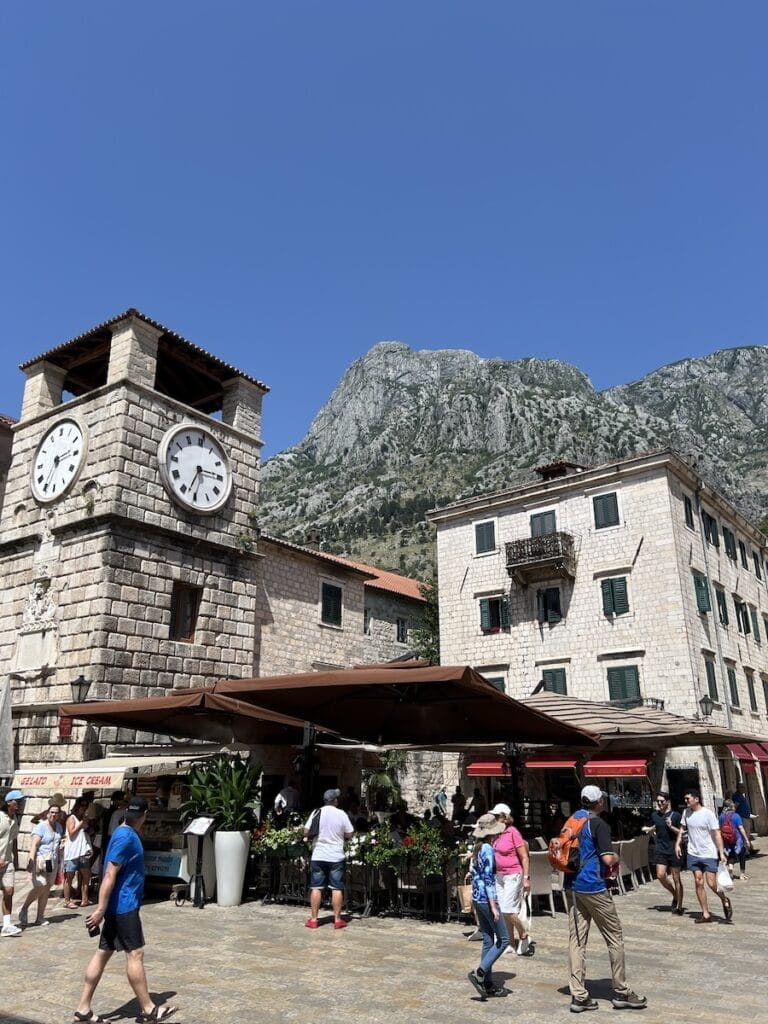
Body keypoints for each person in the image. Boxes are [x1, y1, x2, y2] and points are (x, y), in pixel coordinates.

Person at [74, 796, 177, 1024]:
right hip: (123, 906)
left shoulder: (124, 833)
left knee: (103, 954)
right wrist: (100, 909)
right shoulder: (126, 837)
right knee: (135, 954)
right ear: (144, 816)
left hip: (118, 906)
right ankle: (149, 1008)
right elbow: (109, 873)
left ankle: (83, 1008)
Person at [565, 786, 647, 1013]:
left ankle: (579, 995)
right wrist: (618, 855)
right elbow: (608, 858)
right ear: (598, 802)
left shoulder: (572, 820)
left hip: (573, 886)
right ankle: (622, 991)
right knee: (614, 936)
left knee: (577, 939)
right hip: (593, 886)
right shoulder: (598, 824)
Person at [466, 813, 510, 999]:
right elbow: (488, 880)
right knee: (504, 939)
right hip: (486, 899)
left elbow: (473, 873)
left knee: (487, 939)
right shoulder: (488, 850)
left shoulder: (476, 848)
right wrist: (493, 906)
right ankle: (481, 973)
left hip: (477, 898)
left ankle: (488, 984)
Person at [675, 789, 731, 924]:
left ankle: (724, 899)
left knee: (711, 883)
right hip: (693, 853)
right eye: (685, 799)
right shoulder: (686, 813)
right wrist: (677, 844)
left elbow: (717, 834)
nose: (686, 801)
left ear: (696, 799)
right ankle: (705, 914)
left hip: (709, 853)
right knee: (698, 882)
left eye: (688, 798)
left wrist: (721, 852)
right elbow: (682, 829)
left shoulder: (708, 814)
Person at [303, 788, 354, 929]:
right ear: (334, 801)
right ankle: (337, 920)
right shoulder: (341, 814)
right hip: (336, 856)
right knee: (336, 887)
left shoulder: (316, 812)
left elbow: (306, 831)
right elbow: (349, 833)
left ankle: (314, 920)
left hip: (318, 854)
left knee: (316, 887)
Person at [489, 802, 532, 956]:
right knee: (503, 909)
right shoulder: (495, 833)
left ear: (505, 817)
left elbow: (524, 857)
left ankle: (524, 933)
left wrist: (526, 878)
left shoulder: (513, 832)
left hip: (513, 874)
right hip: (499, 875)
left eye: (496, 816)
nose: (494, 818)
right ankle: (510, 943)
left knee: (508, 909)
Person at [19, 803, 64, 927]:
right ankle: (24, 908)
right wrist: (30, 861)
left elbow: (59, 841)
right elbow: (34, 845)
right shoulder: (41, 827)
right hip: (40, 861)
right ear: (47, 813)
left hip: (53, 862)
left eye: (56, 812)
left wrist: (61, 846)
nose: (54, 814)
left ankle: (40, 917)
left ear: (59, 814)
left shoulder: (59, 826)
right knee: (40, 885)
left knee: (47, 889)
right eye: (52, 812)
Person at [642, 792, 684, 914]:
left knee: (676, 878)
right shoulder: (655, 815)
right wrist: (651, 831)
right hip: (660, 849)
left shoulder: (675, 815)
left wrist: (671, 827)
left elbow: (682, 833)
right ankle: (675, 894)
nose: (659, 803)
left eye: (662, 801)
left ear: (667, 802)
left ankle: (679, 906)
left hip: (674, 849)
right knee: (660, 875)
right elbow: (657, 826)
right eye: (658, 801)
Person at [0, 788, 24, 936]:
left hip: (7, 861)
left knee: (9, 891)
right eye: (18, 801)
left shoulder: (14, 819)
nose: (20, 804)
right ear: (9, 802)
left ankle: (7, 925)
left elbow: (13, 840)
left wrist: (15, 858)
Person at [64, 797, 94, 909]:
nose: (84, 808)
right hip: (72, 852)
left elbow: (87, 832)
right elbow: (71, 833)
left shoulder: (83, 819)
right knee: (69, 877)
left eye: (86, 806)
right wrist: (82, 823)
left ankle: (84, 899)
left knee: (86, 875)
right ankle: (67, 901)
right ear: (77, 806)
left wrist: (88, 826)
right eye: (82, 805)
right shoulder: (71, 818)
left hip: (83, 852)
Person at [718, 799, 751, 881]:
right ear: (731, 806)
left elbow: (719, 828)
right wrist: (746, 839)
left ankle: (731, 869)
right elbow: (741, 828)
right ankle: (742, 874)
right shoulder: (736, 816)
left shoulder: (721, 816)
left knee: (731, 854)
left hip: (727, 839)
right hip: (737, 839)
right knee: (742, 855)